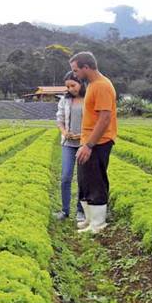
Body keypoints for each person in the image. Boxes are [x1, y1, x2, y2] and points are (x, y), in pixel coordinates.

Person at [69, 51, 118, 233]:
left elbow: (105, 119)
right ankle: (89, 220)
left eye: (76, 70)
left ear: (86, 67)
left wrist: (89, 145)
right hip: (88, 141)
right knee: (85, 180)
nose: (75, 74)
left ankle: (98, 223)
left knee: (96, 180)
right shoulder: (92, 85)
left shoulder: (102, 86)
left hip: (99, 142)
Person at [55, 71, 86, 222]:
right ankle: (65, 210)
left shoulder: (88, 99)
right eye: (68, 86)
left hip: (83, 144)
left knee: (82, 178)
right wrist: (65, 132)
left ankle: (81, 210)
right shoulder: (64, 100)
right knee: (66, 177)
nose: (70, 89)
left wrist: (82, 136)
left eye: (73, 85)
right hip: (68, 143)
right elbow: (59, 120)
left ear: (81, 83)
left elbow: (93, 122)